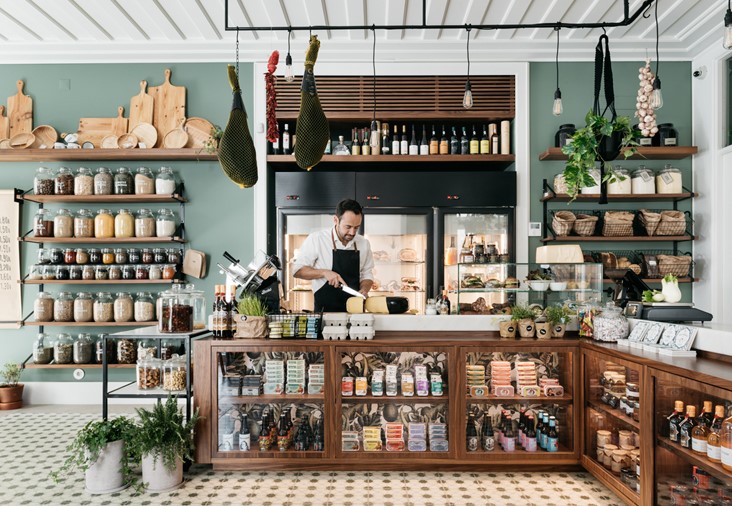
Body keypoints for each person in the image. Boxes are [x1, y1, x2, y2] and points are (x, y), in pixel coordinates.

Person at [293, 199, 374, 312]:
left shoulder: (363, 243)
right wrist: (324, 272)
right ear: (336, 220)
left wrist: (364, 289)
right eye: (348, 227)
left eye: (356, 227)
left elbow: (367, 274)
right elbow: (297, 271)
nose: (352, 232)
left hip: (356, 312)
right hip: (325, 312)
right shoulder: (317, 239)